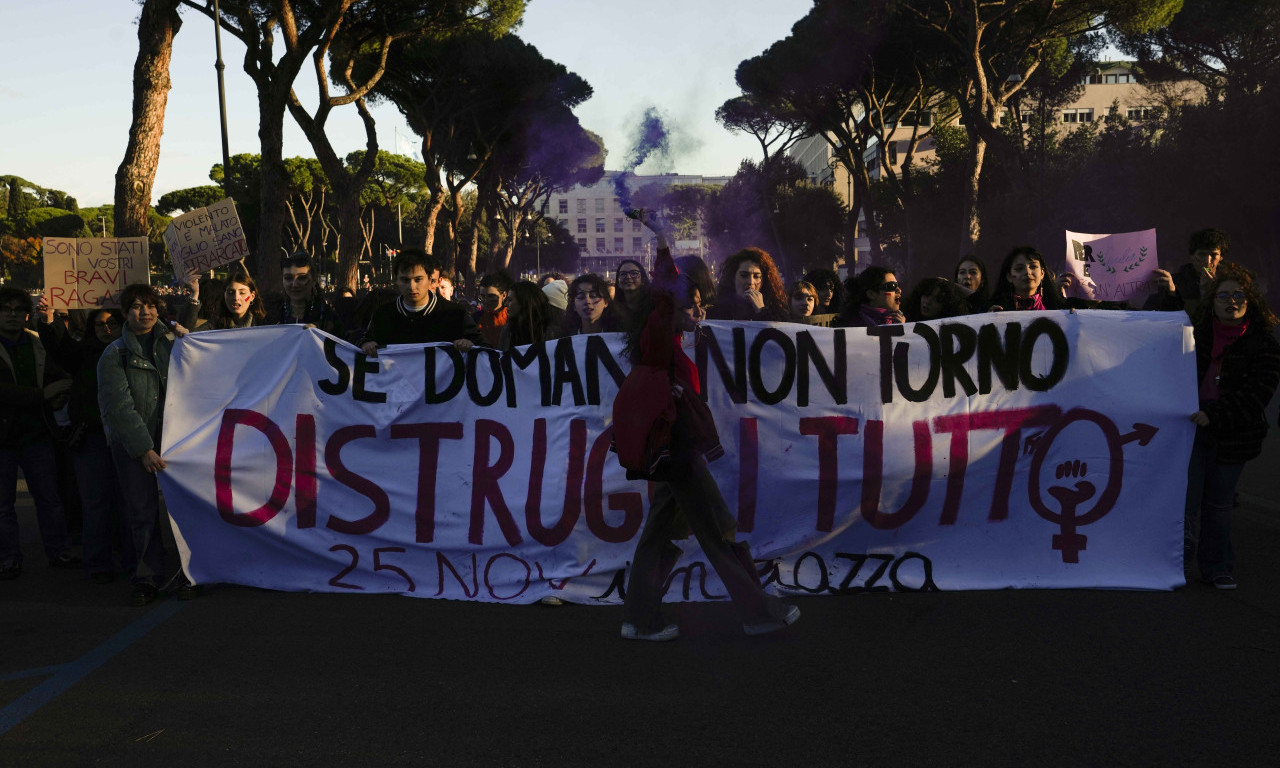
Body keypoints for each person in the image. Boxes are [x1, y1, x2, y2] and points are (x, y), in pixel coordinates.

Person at [612, 225, 800, 641]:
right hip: (677, 451)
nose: (700, 313)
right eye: (693, 305)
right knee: (718, 531)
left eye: (701, 305)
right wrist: (661, 237)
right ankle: (759, 612)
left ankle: (638, 619)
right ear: (673, 304)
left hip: (669, 451)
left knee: (658, 534)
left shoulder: (666, 339)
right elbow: (665, 284)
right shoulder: (661, 331)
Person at [1185, 264, 1280, 590]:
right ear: (1212, 301)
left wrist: (1216, 415)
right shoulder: (1192, 335)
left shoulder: (1264, 344)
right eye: (1223, 295)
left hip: (1234, 431)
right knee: (1187, 500)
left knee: (1218, 503)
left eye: (1238, 295)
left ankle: (1218, 568)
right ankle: (1176, 566)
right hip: (1190, 425)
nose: (1231, 301)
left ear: (1249, 300)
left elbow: (1257, 394)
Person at [97, 284, 194, 605]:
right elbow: (119, 407)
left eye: (151, 306)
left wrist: (191, 341)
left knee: (185, 509)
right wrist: (143, 448)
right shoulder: (115, 355)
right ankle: (147, 577)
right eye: (137, 307)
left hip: (176, 440)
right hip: (135, 446)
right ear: (125, 313)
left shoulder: (173, 343)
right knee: (141, 512)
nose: (145, 312)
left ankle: (190, 572)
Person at [38, 299, 135, 584]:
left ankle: (134, 561)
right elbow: (59, 346)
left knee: (130, 502)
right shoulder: (83, 354)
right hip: (91, 437)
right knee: (95, 503)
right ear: (92, 329)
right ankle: (98, 564)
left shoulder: (136, 350)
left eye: (112, 323)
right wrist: (49, 320)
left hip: (128, 436)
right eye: (99, 324)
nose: (106, 329)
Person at [0, 287, 79, 580]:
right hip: (3, 438)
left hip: (36, 434)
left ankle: (58, 550)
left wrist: (60, 392)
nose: (11, 314)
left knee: (49, 498)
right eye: (5, 309)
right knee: (3, 505)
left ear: (26, 314)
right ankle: (8, 558)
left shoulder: (36, 343)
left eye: (17, 310)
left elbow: (60, 374)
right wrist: (43, 395)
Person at [362, 249, 482, 356]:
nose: (412, 286)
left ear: (430, 279)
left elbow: (485, 349)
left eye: (418, 279)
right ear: (396, 280)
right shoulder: (382, 315)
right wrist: (366, 344)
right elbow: (360, 344)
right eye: (405, 280)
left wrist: (470, 344)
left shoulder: (455, 314)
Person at [1145, 228, 1228, 317]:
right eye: (1201, 254)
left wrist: (1213, 291)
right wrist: (1172, 293)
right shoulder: (1173, 282)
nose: (1207, 261)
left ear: (1221, 257)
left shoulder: (1230, 283)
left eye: (1213, 255)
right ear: (1192, 255)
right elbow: (1151, 315)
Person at [267, 252, 347, 336]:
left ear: (314, 278)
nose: (294, 284)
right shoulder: (273, 316)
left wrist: (319, 334)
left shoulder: (328, 318)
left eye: (302, 278)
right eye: (288, 278)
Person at [708, 248, 789, 322]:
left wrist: (761, 310)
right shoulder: (717, 311)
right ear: (733, 278)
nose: (750, 282)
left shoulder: (776, 312)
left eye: (756, 276)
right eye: (744, 275)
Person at [988, 247, 1068, 312]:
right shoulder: (995, 309)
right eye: (1019, 269)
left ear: (1042, 273)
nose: (1027, 272)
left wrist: (1072, 316)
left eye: (1033, 267)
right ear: (1009, 277)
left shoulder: (1059, 308)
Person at [499, 281, 562, 350]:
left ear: (524, 301)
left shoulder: (551, 332)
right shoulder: (508, 330)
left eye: (510, 300)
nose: (506, 304)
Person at [839, 266, 905, 327]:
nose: (899, 290)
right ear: (871, 294)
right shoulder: (856, 324)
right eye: (892, 286)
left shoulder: (893, 321)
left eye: (897, 285)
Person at [474, 270, 514, 348]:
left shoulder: (513, 318)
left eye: (491, 296)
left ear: (504, 295)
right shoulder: (475, 318)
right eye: (482, 296)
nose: (486, 301)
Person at [903, 277, 968, 322]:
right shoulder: (903, 318)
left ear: (946, 306)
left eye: (938, 299)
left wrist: (952, 286)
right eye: (927, 295)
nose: (928, 302)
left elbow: (977, 299)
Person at [612, 258, 650, 327]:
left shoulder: (653, 306)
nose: (628, 277)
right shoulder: (612, 310)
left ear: (643, 280)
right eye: (623, 274)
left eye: (634, 273)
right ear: (618, 281)